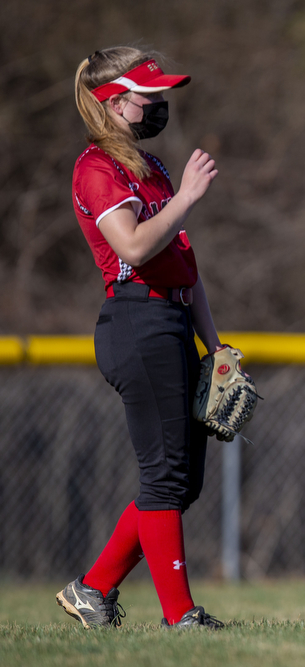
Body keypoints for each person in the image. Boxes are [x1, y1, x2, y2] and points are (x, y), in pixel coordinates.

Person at [56, 47, 225, 629]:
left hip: (174, 320)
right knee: (164, 476)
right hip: (136, 321)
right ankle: (181, 616)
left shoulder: (150, 166)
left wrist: (215, 344)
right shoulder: (95, 168)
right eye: (147, 96)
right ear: (112, 102)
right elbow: (131, 247)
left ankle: (93, 588)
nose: (158, 105)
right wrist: (185, 199)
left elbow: (184, 261)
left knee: (183, 480)